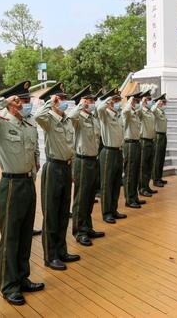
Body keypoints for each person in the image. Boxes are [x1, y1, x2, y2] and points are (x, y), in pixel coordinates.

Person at [0, 80, 44, 306]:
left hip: (28, 182)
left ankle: (22, 277)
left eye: (27, 100)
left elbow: (34, 148)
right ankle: (8, 285)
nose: (26, 104)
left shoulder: (29, 124)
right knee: (11, 238)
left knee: (25, 236)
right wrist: (2, 102)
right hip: (11, 185)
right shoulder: (0, 124)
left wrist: (34, 163)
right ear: (13, 104)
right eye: (22, 101)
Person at [35, 82, 80, 271]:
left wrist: (72, 170)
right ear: (52, 101)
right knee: (51, 215)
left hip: (66, 167)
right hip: (52, 168)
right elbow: (37, 115)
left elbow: (71, 148)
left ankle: (62, 250)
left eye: (63, 98)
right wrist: (48, 102)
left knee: (63, 213)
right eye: (58, 98)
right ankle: (50, 255)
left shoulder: (67, 120)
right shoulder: (49, 119)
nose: (63, 102)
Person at [69, 85, 105, 247]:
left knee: (90, 197)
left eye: (92, 100)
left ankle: (88, 226)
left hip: (93, 159)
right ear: (82, 102)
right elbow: (70, 116)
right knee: (81, 198)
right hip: (82, 161)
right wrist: (80, 104)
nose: (91, 102)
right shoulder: (78, 118)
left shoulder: (92, 117)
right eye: (88, 100)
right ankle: (79, 231)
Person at [96, 88, 126, 224]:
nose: (118, 103)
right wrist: (108, 98)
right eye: (115, 100)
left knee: (116, 183)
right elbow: (99, 108)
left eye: (118, 100)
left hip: (118, 151)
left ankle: (114, 209)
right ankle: (107, 212)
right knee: (107, 183)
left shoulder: (118, 115)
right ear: (109, 102)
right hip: (108, 152)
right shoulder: (105, 114)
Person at [122, 91, 145, 208]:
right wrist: (130, 101)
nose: (137, 103)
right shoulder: (127, 113)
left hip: (136, 143)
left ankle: (134, 196)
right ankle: (129, 199)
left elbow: (141, 110)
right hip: (129, 144)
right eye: (136, 101)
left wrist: (140, 103)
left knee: (135, 172)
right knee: (130, 173)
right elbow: (125, 111)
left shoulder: (135, 113)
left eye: (138, 101)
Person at [138, 90, 158, 197]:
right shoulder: (141, 111)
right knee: (143, 166)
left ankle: (147, 186)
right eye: (148, 99)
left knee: (149, 166)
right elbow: (137, 112)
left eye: (150, 99)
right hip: (144, 141)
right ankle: (142, 188)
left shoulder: (150, 111)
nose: (150, 101)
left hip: (151, 141)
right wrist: (142, 102)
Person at [151, 93, 168, 187]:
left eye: (164, 102)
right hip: (158, 136)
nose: (164, 104)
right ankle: (155, 179)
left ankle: (159, 177)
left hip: (163, 136)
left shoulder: (162, 112)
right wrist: (156, 103)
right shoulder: (156, 110)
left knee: (161, 158)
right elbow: (152, 109)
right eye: (163, 102)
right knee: (157, 158)